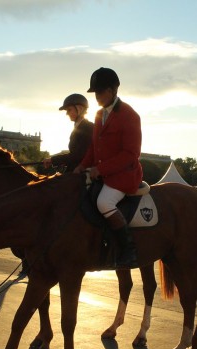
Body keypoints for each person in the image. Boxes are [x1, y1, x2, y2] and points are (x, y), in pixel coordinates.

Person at [74, 67, 143, 269]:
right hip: (103, 174)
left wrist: (99, 170)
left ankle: (128, 250)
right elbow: (94, 149)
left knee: (104, 202)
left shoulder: (130, 116)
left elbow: (130, 154)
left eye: (100, 91)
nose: (96, 96)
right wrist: (81, 166)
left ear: (113, 90)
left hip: (124, 175)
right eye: (94, 92)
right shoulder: (99, 115)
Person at [43, 93, 94, 173]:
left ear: (80, 108)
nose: (67, 113)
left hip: (84, 172)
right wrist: (53, 160)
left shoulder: (88, 127)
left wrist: (53, 160)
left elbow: (78, 155)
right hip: (74, 170)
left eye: (69, 110)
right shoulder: (77, 128)